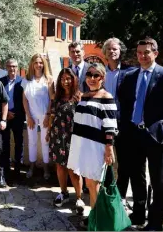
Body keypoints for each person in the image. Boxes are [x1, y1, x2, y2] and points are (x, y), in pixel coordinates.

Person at [117, 37, 163, 231]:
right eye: (139, 53)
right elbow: (125, 104)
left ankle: (155, 223)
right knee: (136, 176)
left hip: (155, 137)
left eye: (146, 52)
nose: (142, 56)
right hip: (133, 135)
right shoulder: (130, 76)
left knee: (158, 180)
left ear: (155, 53)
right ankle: (138, 214)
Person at [66, 63, 118, 228]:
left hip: (95, 147)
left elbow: (110, 125)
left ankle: (97, 221)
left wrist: (109, 148)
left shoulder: (106, 97)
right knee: (90, 184)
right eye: (89, 74)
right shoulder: (85, 96)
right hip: (81, 144)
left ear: (103, 78)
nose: (92, 78)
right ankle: (95, 215)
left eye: (97, 75)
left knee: (94, 185)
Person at [102, 37, 135, 211]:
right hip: (103, 122)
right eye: (109, 49)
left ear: (120, 51)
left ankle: (121, 194)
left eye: (115, 49)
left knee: (123, 161)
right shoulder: (100, 73)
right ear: (105, 53)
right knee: (104, 159)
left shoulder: (130, 72)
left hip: (123, 123)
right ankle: (106, 190)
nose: (112, 51)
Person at [46, 68, 85, 214]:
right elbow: (52, 116)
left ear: (73, 80)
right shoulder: (56, 97)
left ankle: (79, 198)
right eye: (62, 79)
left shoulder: (79, 98)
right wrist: (49, 133)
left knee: (74, 169)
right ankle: (64, 193)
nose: (65, 82)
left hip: (73, 138)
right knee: (60, 167)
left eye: (68, 79)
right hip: (57, 136)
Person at [22, 53, 54, 180]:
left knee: (45, 141)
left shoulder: (49, 79)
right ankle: (32, 166)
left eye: (41, 62)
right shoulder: (26, 79)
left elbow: (52, 99)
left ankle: (46, 167)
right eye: (36, 62)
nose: (38, 65)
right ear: (32, 64)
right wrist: (28, 116)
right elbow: (24, 100)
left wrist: (48, 116)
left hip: (45, 115)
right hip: (31, 116)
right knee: (32, 141)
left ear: (44, 64)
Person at [67, 40, 90, 194]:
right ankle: (75, 183)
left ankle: (88, 184)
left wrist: (84, 95)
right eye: (72, 52)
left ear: (83, 52)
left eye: (78, 52)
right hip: (70, 118)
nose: (75, 54)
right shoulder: (66, 71)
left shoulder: (92, 69)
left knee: (87, 151)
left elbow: (99, 90)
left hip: (88, 116)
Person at [0, 59, 25, 183]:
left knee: (19, 143)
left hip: (18, 117)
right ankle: (6, 170)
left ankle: (18, 170)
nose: (12, 68)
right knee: (5, 143)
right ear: (6, 67)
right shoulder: (1, 82)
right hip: (5, 117)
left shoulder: (23, 81)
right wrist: (6, 113)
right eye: (9, 66)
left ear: (17, 67)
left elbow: (25, 100)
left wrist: (16, 113)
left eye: (14, 66)